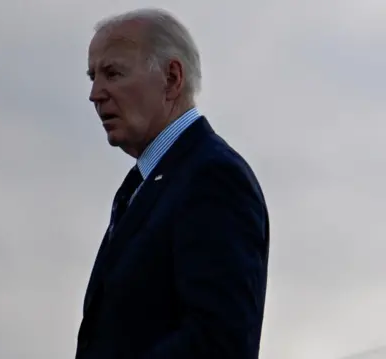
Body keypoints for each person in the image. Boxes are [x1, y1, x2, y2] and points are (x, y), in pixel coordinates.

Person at [76, 8, 270, 359]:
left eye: (112, 73)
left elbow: (218, 344)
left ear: (172, 78)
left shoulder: (212, 177)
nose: (95, 93)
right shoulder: (143, 186)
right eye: (92, 76)